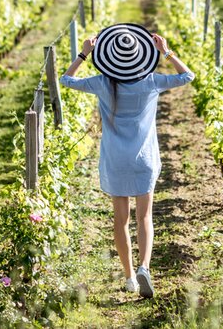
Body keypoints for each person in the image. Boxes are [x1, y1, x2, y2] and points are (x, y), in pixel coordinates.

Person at [60, 23, 194, 299]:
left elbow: (66, 80)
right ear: (141, 55)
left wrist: (84, 54)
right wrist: (166, 52)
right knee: (144, 217)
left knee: (120, 220)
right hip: (144, 159)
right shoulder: (152, 82)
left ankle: (130, 277)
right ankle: (145, 267)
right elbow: (187, 76)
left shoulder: (102, 83)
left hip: (115, 159)